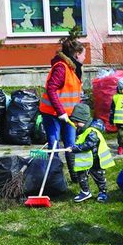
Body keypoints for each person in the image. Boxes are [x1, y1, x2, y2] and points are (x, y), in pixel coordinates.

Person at [39, 34, 86, 182]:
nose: (85, 58)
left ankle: (75, 177)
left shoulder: (74, 68)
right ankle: (53, 178)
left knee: (70, 144)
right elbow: (51, 89)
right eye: (84, 54)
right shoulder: (61, 67)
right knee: (53, 145)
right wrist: (61, 112)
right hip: (52, 114)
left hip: (69, 115)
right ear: (77, 54)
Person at [68, 103, 115, 202]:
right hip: (85, 159)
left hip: (96, 160)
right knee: (81, 175)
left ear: (83, 120)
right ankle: (85, 192)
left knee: (99, 176)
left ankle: (103, 192)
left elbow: (88, 145)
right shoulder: (82, 128)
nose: (75, 124)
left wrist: (75, 149)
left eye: (77, 122)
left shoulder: (92, 131)